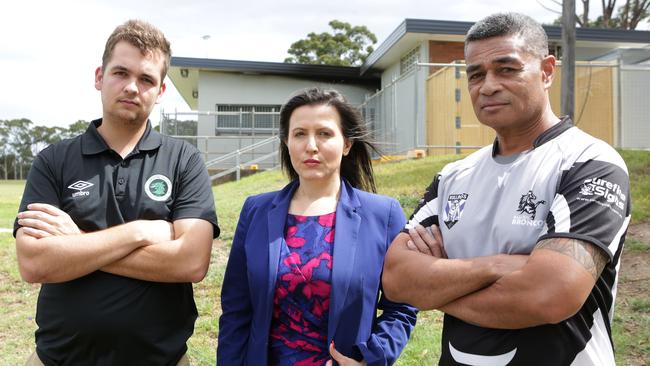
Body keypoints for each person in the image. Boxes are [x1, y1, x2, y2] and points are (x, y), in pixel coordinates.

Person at [382, 12, 630, 366]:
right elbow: (396, 278)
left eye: (507, 69)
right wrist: (499, 266)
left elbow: (548, 294)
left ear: (546, 71)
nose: (488, 86)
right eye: (476, 74)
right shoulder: (454, 176)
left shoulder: (588, 163)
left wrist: (435, 288)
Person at [14, 19, 219, 365]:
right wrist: (140, 232)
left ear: (160, 92)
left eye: (146, 79)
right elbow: (35, 263)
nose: (132, 87)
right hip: (60, 359)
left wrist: (76, 242)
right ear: (99, 77)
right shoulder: (54, 160)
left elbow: (191, 261)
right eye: (120, 73)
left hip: (162, 360)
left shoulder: (183, 159)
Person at [217, 88, 417, 366]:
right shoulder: (256, 211)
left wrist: (372, 358)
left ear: (346, 143)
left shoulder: (383, 214)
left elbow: (402, 305)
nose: (311, 145)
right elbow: (236, 310)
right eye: (299, 134)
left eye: (324, 133)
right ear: (286, 142)